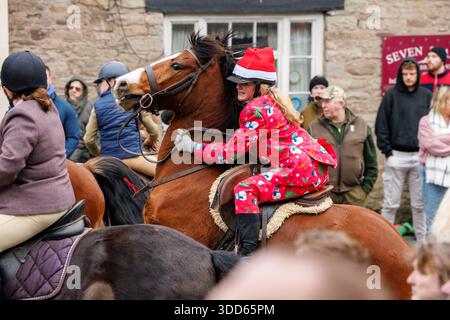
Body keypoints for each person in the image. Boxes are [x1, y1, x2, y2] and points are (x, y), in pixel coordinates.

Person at [174, 47, 337, 256]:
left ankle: (248, 254)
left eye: (245, 83)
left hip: (297, 169)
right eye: (238, 82)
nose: (238, 87)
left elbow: (229, 154)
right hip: (309, 166)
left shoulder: (256, 109)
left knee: (244, 190)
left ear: (260, 86)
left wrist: (193, 148)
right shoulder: (270, 100)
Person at [0, 51, 75, 252]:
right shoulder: (47, 107)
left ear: (7, 89)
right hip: (59, 196)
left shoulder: (22, 115)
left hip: (36, 204)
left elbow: (8, 167)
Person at [375, 58, 433, 243]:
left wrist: (428, 152)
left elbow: (433, 124)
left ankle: (422, 246)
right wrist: (388, 153)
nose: (408, 77)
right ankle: (384, 243)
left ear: (417, 74)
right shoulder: (391, 96)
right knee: (390, 204)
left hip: (420, 157)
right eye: (405, 74)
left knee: (419, 205)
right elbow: (381, 126)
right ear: (401, 75)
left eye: (412, 74)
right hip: (396, 156)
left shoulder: (426, 96)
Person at [83, 61, 157, 177]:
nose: (98, 86)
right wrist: (149, 141)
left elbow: (88, 140)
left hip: (107, 163)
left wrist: (101, 155)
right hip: (134, 158)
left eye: (101, 82)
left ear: (112, 81)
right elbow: (154, 131)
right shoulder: (135, 101)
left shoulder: (96, 105)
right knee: (167, 176)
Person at [309, 86, 378, 206]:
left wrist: (363, 190)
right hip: (324, 194)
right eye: (322, 102)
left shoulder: (361, 126)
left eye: (327, 101)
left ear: (341, 103)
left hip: (354, 195)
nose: (323, 105)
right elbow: (305, 163)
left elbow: (371, 164)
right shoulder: (313, 128)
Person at [418, 86, 450, 229]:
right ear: (442, 101)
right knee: (432, 219)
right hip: (431, 176)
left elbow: (435, 143)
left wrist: (440, 139)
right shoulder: (426, 121)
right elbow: (430, 145)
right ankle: (433, 250)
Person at [46, 65, 79, 158]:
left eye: (44, 76)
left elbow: (73, 137)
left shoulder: (65, 108)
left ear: (50, 79)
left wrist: (60, 156)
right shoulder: (27, 103)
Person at [65, 76, 96, 163]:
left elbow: (83, 139)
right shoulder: (63, 107)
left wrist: (70, 161)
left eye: (77, 89)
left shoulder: (88, 109)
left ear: (83, 92)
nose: (73, 90)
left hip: (82, 156)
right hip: (64, 153)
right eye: (71, 88)